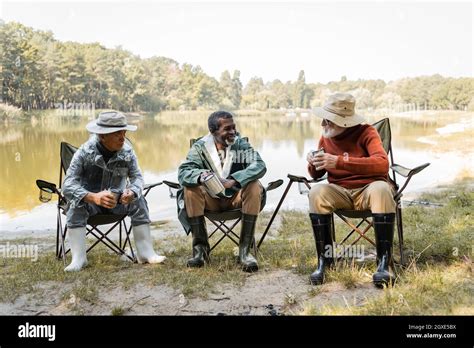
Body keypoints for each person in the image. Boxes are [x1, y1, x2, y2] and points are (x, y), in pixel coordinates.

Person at [306, 93, 396, 287]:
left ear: (344, 122)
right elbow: (315, 175)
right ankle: (325, 262)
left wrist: (340, 161)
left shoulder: (367, 132)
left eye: (328, 120)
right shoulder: (326, 137)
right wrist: (313, 162)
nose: (323, 123)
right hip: (340, 192)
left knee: (381, 189)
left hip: (368, 191)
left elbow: (382, 164)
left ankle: (384, 264)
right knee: (316, 192)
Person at [62, 111, 166, 272]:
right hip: (91, 205)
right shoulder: (84, 152)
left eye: (124, 133)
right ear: (102, 136)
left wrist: (131, 192)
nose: (123, 138)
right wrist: (92, 197)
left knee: (138, 198)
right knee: (76, 202)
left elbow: (138, 178)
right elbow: (67, 185)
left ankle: (145, 253)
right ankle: (79, 259)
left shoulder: (127, 151)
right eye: (117, 134)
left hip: (118, 203)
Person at [177, 111, 267, 272]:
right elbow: (184, 172)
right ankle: (200, 252)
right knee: (190, 188)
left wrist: (234, 180)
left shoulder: (240, 145)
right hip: (210, 202)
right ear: (213, 131)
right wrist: (201, 175)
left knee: (254, 184)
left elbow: (258, 164)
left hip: (235, 199)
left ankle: (244, 252)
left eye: (234, 127)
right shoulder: (200, 147)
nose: (232, 132)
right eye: (227, 129)